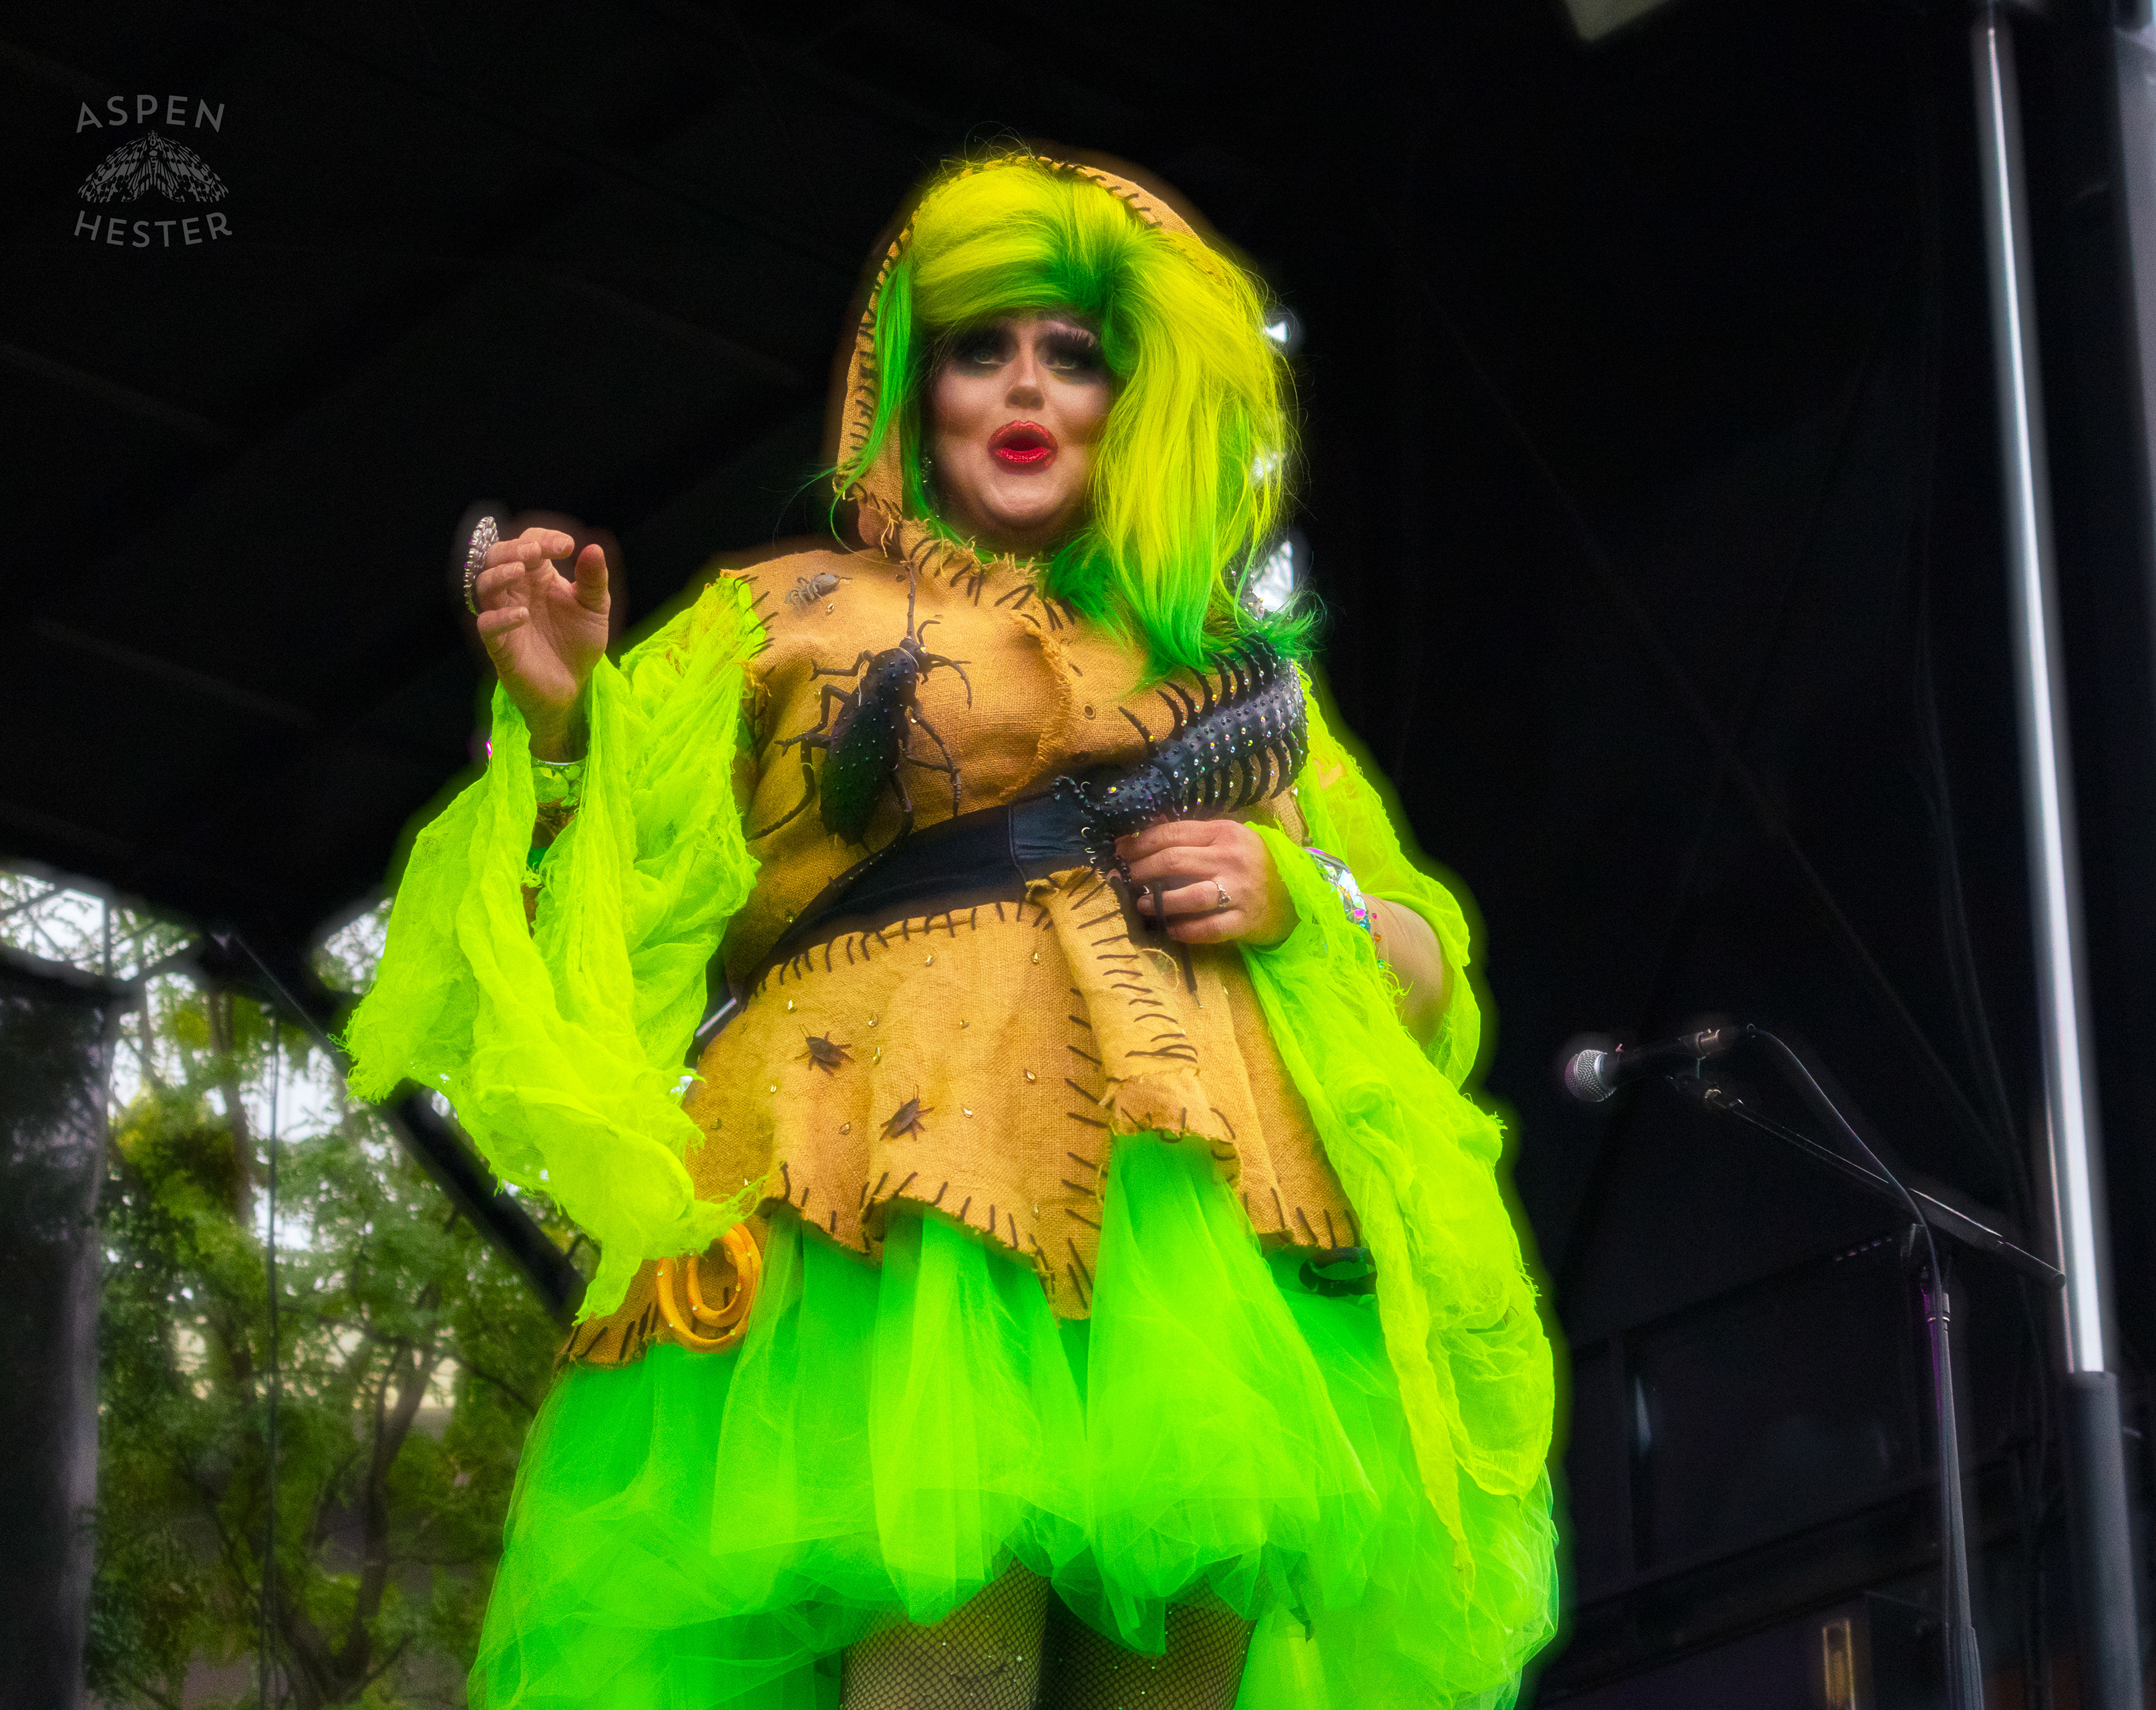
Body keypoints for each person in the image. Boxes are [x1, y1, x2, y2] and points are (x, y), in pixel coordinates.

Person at [346, 152, 1555, 1710]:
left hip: (1197, 1247)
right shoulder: (782, 616)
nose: (1027, 388)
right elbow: (608, 923)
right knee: (947, 1667)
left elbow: (1424, 982)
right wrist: (569, 717)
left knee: (1174, 1674)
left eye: (1075, 354)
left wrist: (1292, 897)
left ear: (1141, 402)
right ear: (913, 393)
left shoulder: (1230, 673)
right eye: (983, 348)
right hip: (893, 1224)